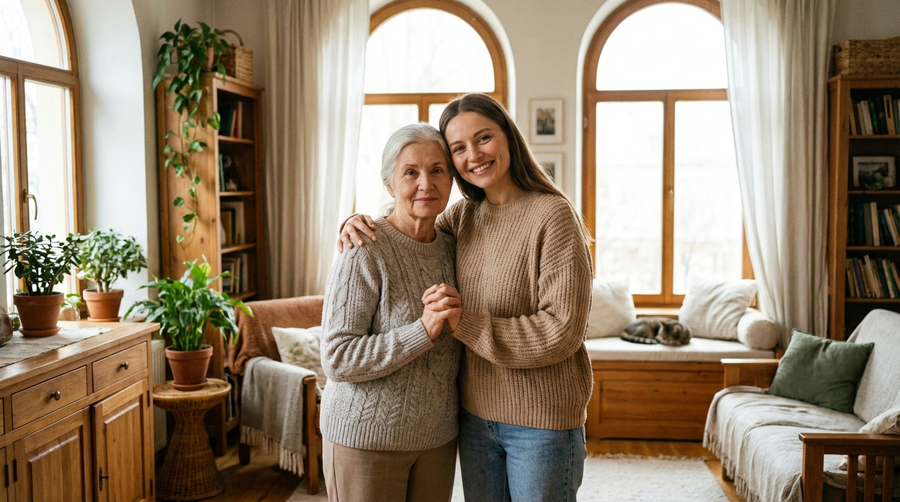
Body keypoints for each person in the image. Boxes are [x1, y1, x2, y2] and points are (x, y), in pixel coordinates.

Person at [339, 93, 594, 502]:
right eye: (458, 148)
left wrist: (466, 324)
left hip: (541, 423)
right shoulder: (464, 217)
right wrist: (356, 221)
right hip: (474, 418)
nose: (473, 155)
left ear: (508, 136)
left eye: (483, 138)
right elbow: (410, 215)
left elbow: (562, 330)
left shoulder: (554, 215)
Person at [320, 123, 463, 502]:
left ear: (452, 179)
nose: (426, 184)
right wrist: (422, 330)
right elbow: (336, 357)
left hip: (437, 441)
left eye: (437, 170)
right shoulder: (365, 248)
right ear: (389, 185)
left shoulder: (454, 246)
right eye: (410, 173)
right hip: (366, 440)